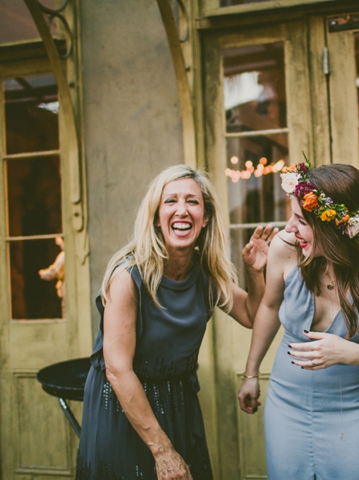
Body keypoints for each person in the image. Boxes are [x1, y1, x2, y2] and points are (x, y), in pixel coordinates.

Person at [76, 165, 276, 480]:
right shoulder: (128, 278)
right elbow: (117, 369)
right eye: (170, 201)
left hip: (178, 401)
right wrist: (162, 450)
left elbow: (252, 315)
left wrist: (254, 272)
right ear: (156, 217)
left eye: (192, 202)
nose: (181, 210)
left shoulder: (207, 275)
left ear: (206, 217)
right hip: (122, 405)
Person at [237, 162, 359, 479]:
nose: (289, 228)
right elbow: (269, 306)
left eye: (301, 220)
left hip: (354, 411)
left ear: (334, 226)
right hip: (286, 405)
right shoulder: (286, 248)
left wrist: (350, 352)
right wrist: (251, 372)